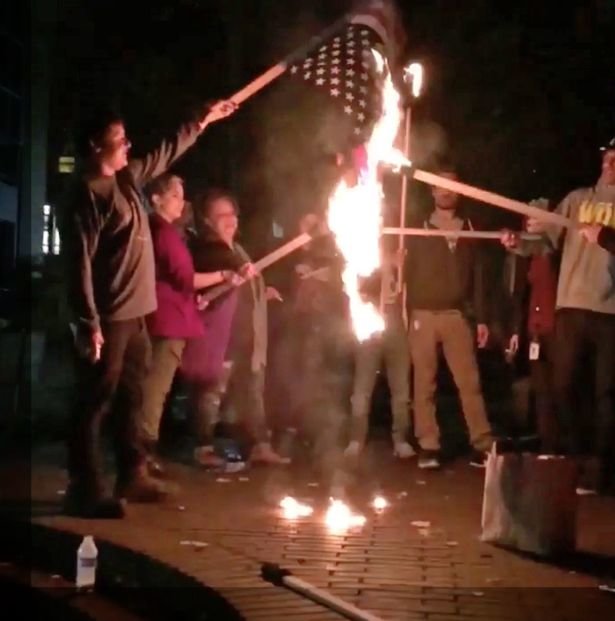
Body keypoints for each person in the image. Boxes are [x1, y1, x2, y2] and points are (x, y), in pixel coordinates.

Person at [62, 100, 236, 518]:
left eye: (125, 138)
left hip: (138, 314)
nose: (127, 145)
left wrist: (201, 119)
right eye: (118, 139)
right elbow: (77, 263)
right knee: (95, 399)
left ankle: (132, 473)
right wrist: (88, 322)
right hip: (110, 316)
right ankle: (85, 487)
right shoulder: (87, 194)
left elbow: (165, 152)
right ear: (94, 146)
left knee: (132, 397)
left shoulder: (127, 180)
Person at [501, 136, 615, 494]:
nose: (610, 166)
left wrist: (606, 236)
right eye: (607, 159)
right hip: (571, 307)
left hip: (611, 312)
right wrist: (518, 243)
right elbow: (546, 241)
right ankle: (572, 460)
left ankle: (603, 471)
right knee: (564, 386)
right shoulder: (577, 200)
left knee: (606, 394)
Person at [138, 174, 241, 476]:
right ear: (156, 199)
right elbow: (186, 278)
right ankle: (141, 457)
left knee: (159, 390)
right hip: (167, 321)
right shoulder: (161, 232)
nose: (182, 202)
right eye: (174, 195)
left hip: (172, 320)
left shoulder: (167, 231)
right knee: (155, 391)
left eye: (182, 195)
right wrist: (223, 276)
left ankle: (144, 454)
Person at [185, 189, 289, 465]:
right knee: (211, 393)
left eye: (232, 214)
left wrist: (261, 293)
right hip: (223, 336)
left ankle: (258, 445)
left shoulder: (237, 250)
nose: (230, 220)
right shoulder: (209, 250)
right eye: (221, 215)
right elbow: (216, 282)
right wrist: (231, 277)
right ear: (207, 221)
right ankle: (203, 447)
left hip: (248, 335)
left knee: (252, 393)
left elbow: (244, 281)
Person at [405, 160, 493, 469]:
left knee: (469, 383)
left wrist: (481, 317)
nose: (446, 191)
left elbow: (480, 276)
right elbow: (403, 272)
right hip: (423, 315)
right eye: (440, 185)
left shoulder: (470, 228)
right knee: (424, 383)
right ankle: (428, 445)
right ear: (431, 190)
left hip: (457, 315)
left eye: (452, 186)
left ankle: (482, 444)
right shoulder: (416, 227)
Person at [344, 240, 414, 459]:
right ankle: (356, 439)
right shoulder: (360, 253)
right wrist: (384, 264)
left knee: (400, 387)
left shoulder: (401, 251)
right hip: (370, 317)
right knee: (362, 387)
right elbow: (358, 288)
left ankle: (401, 439)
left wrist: (398, 265)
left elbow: (410, 288)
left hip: (395, 321)